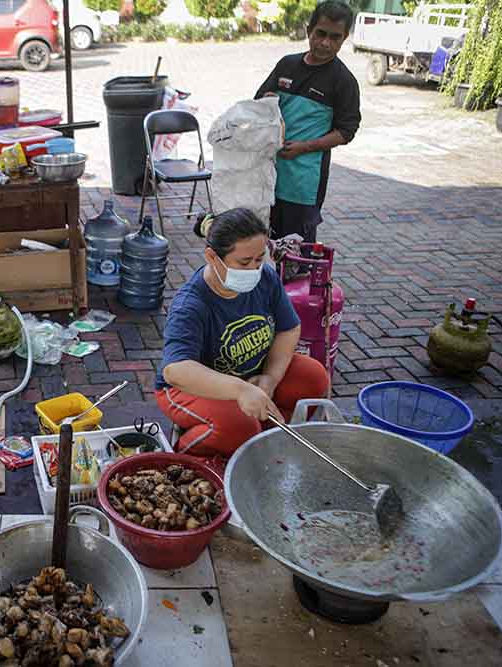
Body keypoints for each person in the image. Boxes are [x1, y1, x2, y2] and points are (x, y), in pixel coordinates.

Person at [156, 208, 330, 458]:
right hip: (191, 387)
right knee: (239, 427)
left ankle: (263, 440)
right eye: (244, 262)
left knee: (313, 377)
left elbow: (289, 328)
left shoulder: (266, 278)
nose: (253, 269)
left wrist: (270, 377)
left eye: (259, 259)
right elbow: (175, 371)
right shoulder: (191, 305)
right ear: (212, 257)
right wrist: (240, 390)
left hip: (250, 373)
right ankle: (186, 455)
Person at [255, 0, 361, 242]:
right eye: (320, 33)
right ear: (308, 29)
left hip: (303, 184)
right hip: (266, 175)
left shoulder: (343, 81)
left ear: (344, 38)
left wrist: (306, 147)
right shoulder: (287, 64)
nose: (325, 43)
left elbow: (347, 131)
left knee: (296, 252)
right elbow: (258, 102)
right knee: (258, 244)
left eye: (335, 37)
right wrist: (266, 101)